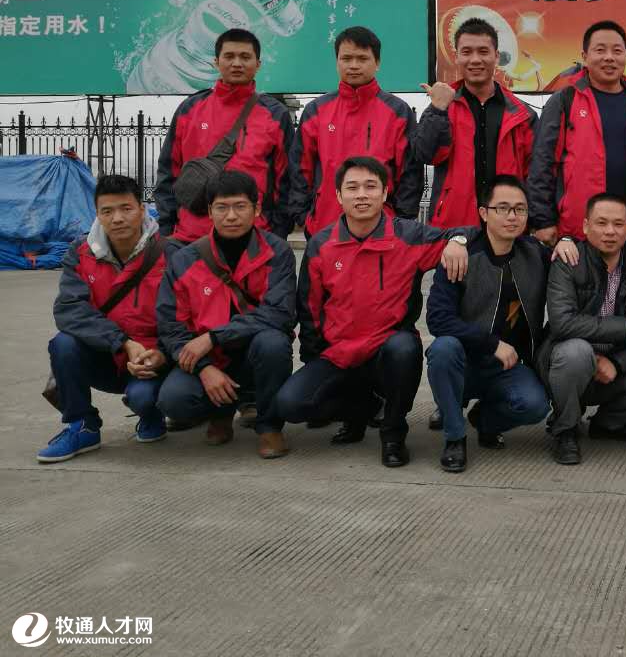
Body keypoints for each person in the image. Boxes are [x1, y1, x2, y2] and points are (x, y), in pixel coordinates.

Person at [278, 157, 470, 468]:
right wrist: (316, 360)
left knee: (405, 347)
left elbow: (467, 233)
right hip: (340, 354)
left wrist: (457, 241)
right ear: (338, 195)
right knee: (291, 403)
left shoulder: (407, 235)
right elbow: (309, 310)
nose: (362, 195)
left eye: (370, 187)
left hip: (387, 351)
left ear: (384, 193)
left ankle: (393, 433)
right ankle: (360, 410)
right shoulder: (322, 245)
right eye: (352, 188)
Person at [156, 170, 297, 458]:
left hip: (254, 353)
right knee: (174, 400)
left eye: (240, 206)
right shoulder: (184, 259)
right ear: (210, 211)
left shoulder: (277, 251)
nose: (231, 216)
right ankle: (219, 413)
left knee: (273, 343)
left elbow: (280, 313)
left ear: (256, 209)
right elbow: (170, 326)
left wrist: (213, 337)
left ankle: (269, 426)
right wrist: (203, 367)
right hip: (210, 358)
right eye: (222, 207)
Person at [37, 175, 169, 463]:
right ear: (97, 214)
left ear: (142, 209)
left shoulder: (169, 253)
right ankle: (82, 425)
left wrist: (160, 353)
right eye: (107, 211)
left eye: (126, 208)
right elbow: (69, 309)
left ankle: (151, 413)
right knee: (64, 343)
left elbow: (184, 316)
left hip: (152, 360)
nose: (117, 218)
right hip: (106, 353)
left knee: (145, 397)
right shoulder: (80, 252)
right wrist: (122, 342)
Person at [425, 176, 551, 472]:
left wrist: (568, 242)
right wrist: (491, 343)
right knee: (442, 350)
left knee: (535, 405)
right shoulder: (461, 255)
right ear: (483, 213)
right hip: (464, 360)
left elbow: (572, 257)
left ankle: (484, 420)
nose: (512, 216)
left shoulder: (535, 254)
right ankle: (454, 437)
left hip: (507, 366)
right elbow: (438, 319)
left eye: (520, 209)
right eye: (502, 208)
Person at [541, 193, 626, 465]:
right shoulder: (568, 260)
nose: (610, 231)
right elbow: (563, 322)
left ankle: (608, 424)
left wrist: (617, 363)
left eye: (618, 224)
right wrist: (624, 328)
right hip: (567, 362)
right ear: (585, 226)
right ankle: (565, 429)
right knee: (576, 352)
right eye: (601, 223)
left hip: (612, 365)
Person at [528, 20, 626, 257]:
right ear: (585, 56)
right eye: (600, 50)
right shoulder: (564, 100)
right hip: (577, 229)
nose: (609, 57)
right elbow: (542, 162)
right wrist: (542, 220)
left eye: (617, 51)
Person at [413, 16, 538, 263]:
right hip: (453, 230)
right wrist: (437, 110)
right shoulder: (443, 107)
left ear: (496, 56)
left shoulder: (522, 114)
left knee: (505, 287)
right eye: (467, 52)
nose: (475, 60)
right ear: (456, 57)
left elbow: (534, 173)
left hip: (508, 227)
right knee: (453, 288)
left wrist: (534, 222)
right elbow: (425, 154)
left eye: (483, 51)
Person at [155, 28, 298, 243]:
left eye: (245, 57)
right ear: (216, 62)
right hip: (192, 237)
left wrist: (276, 232)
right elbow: (168, 172)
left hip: (256, 237)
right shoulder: (190, 109)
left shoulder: (276, 115)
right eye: (229, 56)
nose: (237, 63)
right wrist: (167, 229)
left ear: (258, 64)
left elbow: (286, 181)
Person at [290, 26, 421, 238]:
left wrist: (401, 221)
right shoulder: (316, 111)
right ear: (337, 62)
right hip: (325, 228)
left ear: (377, 62)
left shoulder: (398, 112)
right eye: (346, 58)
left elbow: (410, 173)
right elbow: (299, 169)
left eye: (362, 58)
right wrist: (303, 217)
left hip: (383, 229)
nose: (353, 65)